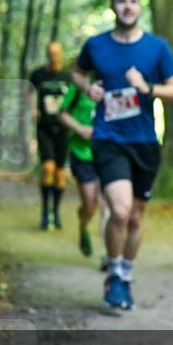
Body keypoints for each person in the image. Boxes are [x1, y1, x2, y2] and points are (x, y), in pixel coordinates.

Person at [72, 0, 173, 310]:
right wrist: (88, 88)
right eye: (121, 1)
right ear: (113, 7)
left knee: (135, 217)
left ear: (139, 6)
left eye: (133, 1)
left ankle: (126, 275)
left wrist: (147, 87)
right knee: (119, 211)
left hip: (144, 142)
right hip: (108, 138)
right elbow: (77, 73)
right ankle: (114, 274)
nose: (127, 6)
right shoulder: (96, 45)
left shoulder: (157, 48)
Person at [58, 80, 109, 261]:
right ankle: (83, 226)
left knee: (107, 205)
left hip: (108, 152)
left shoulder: (114, 81)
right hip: (81, 153)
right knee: (89, 204)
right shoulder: (80, 86)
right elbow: (62, 114)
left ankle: (109, 255)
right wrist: (80, 129)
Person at [29, 42, 72, 230]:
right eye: (51, 53)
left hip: (63, 129)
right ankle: (45, 212)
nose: (54, 57)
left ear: (62, 54)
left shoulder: (68, 77)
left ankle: (56, 211)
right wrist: (33, 109)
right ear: (47, 54)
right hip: (44, 128)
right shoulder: (38, 75)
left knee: (60, 174)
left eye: (57, 53)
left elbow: (76, 99)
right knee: (48, 168)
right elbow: (28, 94)